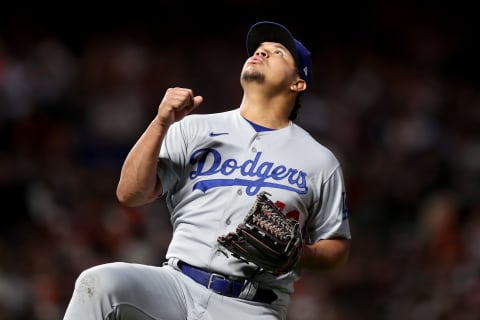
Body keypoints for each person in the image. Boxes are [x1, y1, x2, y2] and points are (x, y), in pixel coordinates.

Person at [63, 20, 351, 320]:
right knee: (100, 284)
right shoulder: (193, 128)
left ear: (298, 83)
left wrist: (298, 255)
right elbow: (130, 193)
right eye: (259, 49)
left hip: (253, 306)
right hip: (177, 285)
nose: (262, 53)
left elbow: (337, 248)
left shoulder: (319, 160)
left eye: (277, 52)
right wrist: (161, 122)